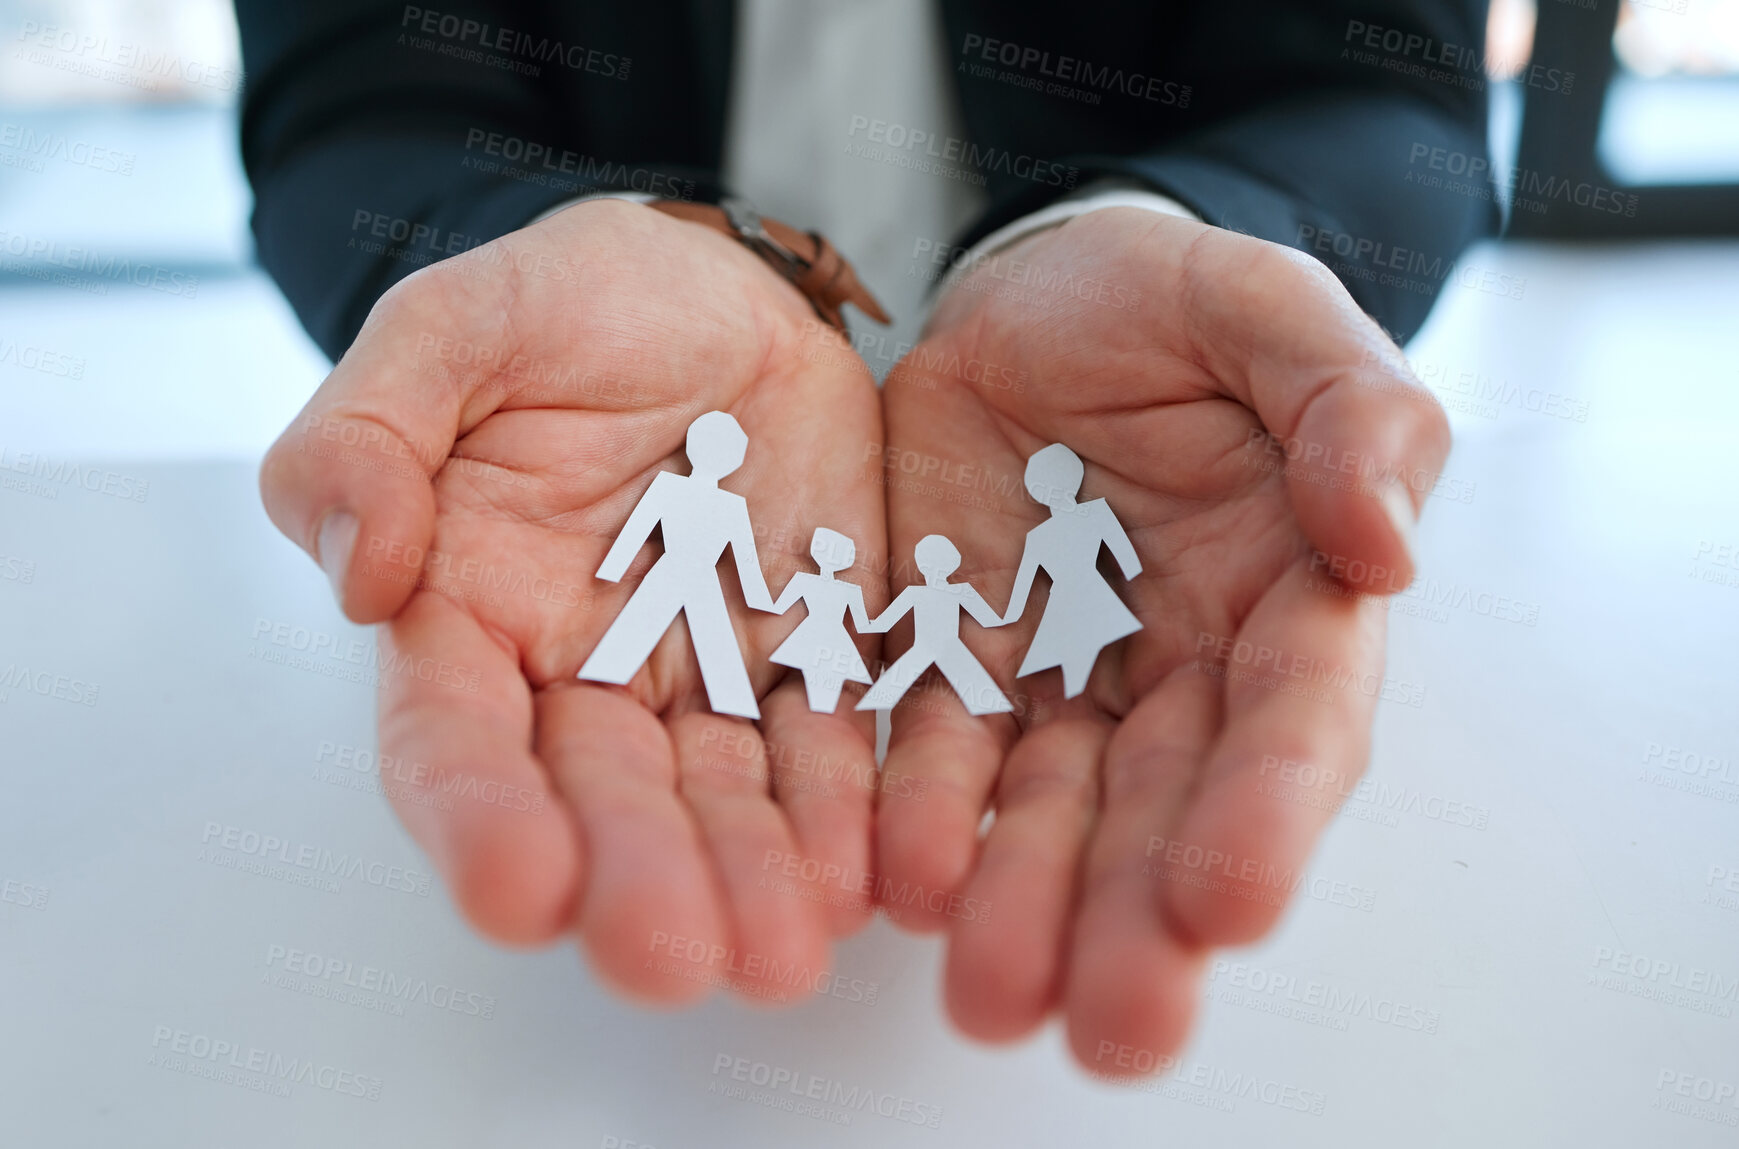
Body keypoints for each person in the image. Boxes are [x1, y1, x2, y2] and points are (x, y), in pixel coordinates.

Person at [242, 0, 1481, 1071]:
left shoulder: (1021, 531)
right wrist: (515, 262)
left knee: (1007, 653)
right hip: (603, 433)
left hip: (1112, 413)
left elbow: (1370, 92)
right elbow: (361, 106)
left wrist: (1186, 233)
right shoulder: (691, 490)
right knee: (751, 659)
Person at [579, 410, 774, 720]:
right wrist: (612, 568)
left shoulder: (716, 501)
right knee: (702, 633)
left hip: (681, 573)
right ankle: (607, 670)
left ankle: (732, 701)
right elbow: (746, 563)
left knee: (707, 633)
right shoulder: (685, 491)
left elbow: (745, 558)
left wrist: (761, 600)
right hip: (680, 572)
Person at [1002, 443, 1143, 699]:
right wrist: (1003, 618)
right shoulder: (1053, 531)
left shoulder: (1089, 515)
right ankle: (1084, 695)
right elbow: (1130, 564)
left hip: (1079, 600)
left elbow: (1129, 562)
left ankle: (1085, 695)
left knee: (1079, 659)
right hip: (1076, 601)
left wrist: (1005, 618)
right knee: (1078, 659)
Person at [857, 534, 1012, 717]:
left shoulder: (936, 592)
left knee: (983, 695)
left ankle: (989, 708)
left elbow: (882, 624)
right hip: (934, 648)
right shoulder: (951, 592)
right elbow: (991, 620)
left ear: (921, 564)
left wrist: (860, 617)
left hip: (939, 648)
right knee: (983, 696)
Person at [767, 527, 874, 714]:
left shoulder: (841, 588)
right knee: (822, 678)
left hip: (819, 636)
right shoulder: (845, 589)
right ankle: (821, 708)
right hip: (831, 639)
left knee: (825, 678)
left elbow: (776, 607)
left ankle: (821, 708)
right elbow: (864, 625)